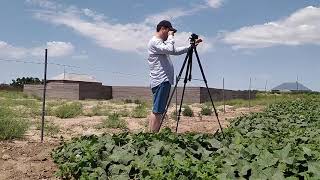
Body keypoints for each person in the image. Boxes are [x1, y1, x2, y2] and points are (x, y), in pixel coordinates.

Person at [147, 20, 202, 132]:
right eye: (170, 31)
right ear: (163, 29)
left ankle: (151, 135)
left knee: (158, 110)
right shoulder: (155, 42)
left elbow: (174, 51)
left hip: (162, 80)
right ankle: (152, 136)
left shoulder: (160, 43)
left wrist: (190, 47)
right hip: (161, 80)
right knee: (158, 111)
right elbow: (171, 49)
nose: (171, 34)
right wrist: (171, 37)